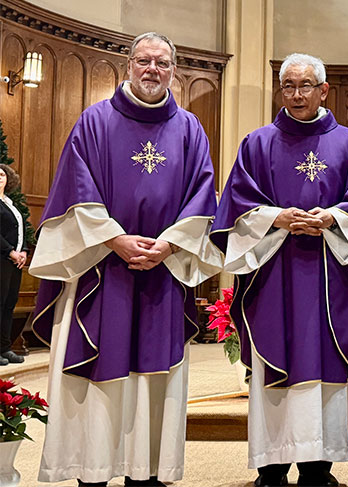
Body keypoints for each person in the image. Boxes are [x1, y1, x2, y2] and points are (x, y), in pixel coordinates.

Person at [28, 32, 222, 487]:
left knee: (154, 377)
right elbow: (76, 191)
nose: (152, 69)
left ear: (174, 70)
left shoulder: (190, 128)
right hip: (102, 271)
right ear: (128, 65)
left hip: (162, 273)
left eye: (162, 62)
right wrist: (115, 239)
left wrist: (170, 244)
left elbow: (202, 196)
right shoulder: (94, 121)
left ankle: (146, 474)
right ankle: (92, 471)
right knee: (100, 373)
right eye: (144, 61)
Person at [211, 53, 348, 487]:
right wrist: (276, 218)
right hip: (274, 272)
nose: (297, 94)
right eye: (289, 85)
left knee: (324, 362)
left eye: (306, 85)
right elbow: (236, 204)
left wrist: (332, 218)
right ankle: (272, 465)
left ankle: (319, 466)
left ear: (323, 90)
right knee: (274, 361)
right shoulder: (257, 143)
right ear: (280, 90)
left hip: (327, 273)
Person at [0, 164, 28, 365]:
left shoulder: (10, 203)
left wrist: (24, 251)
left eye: (2, 174)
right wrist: (10, 251)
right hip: (2, 258)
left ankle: (4, 347)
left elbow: (21, 230)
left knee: (9, 305)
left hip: (14, 263)